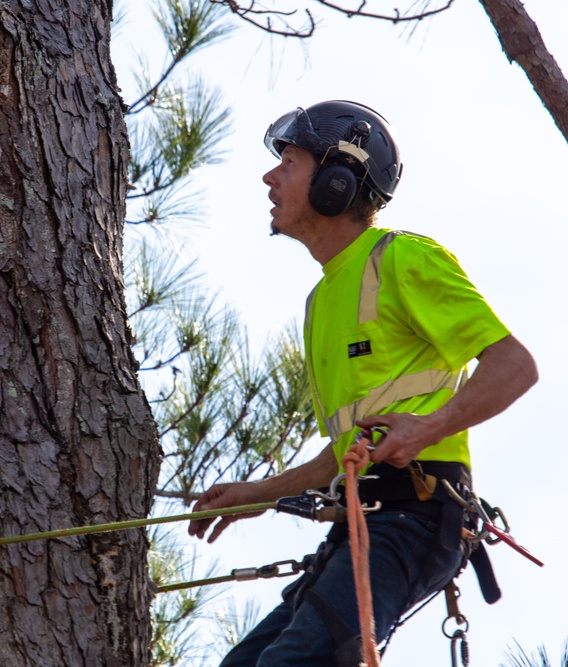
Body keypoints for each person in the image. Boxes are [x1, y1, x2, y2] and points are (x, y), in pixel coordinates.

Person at [187, 100, 538, 666]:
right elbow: (343, 454)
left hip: (417, 516)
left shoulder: (400, 259)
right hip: (367, 524)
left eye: (291, 163)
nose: (269, 176)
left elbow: (515, 365)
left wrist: (430, 427)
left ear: (336, 182)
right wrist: (260, 493)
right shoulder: (322, 301)